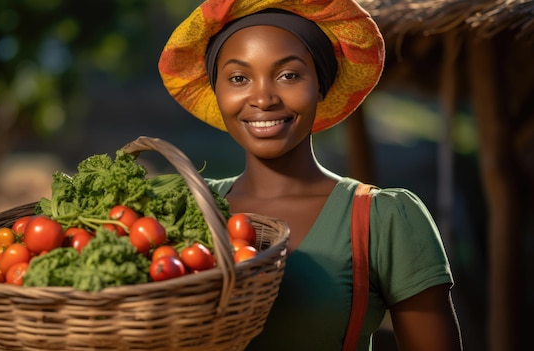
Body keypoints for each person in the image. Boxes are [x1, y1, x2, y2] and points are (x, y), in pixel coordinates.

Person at [158, 0, 463, 350]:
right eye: (239, 78)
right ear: (218, 91)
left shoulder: (381, 219)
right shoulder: (185, 210)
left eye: (288, 75)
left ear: (320, 84)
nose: (263, 98)